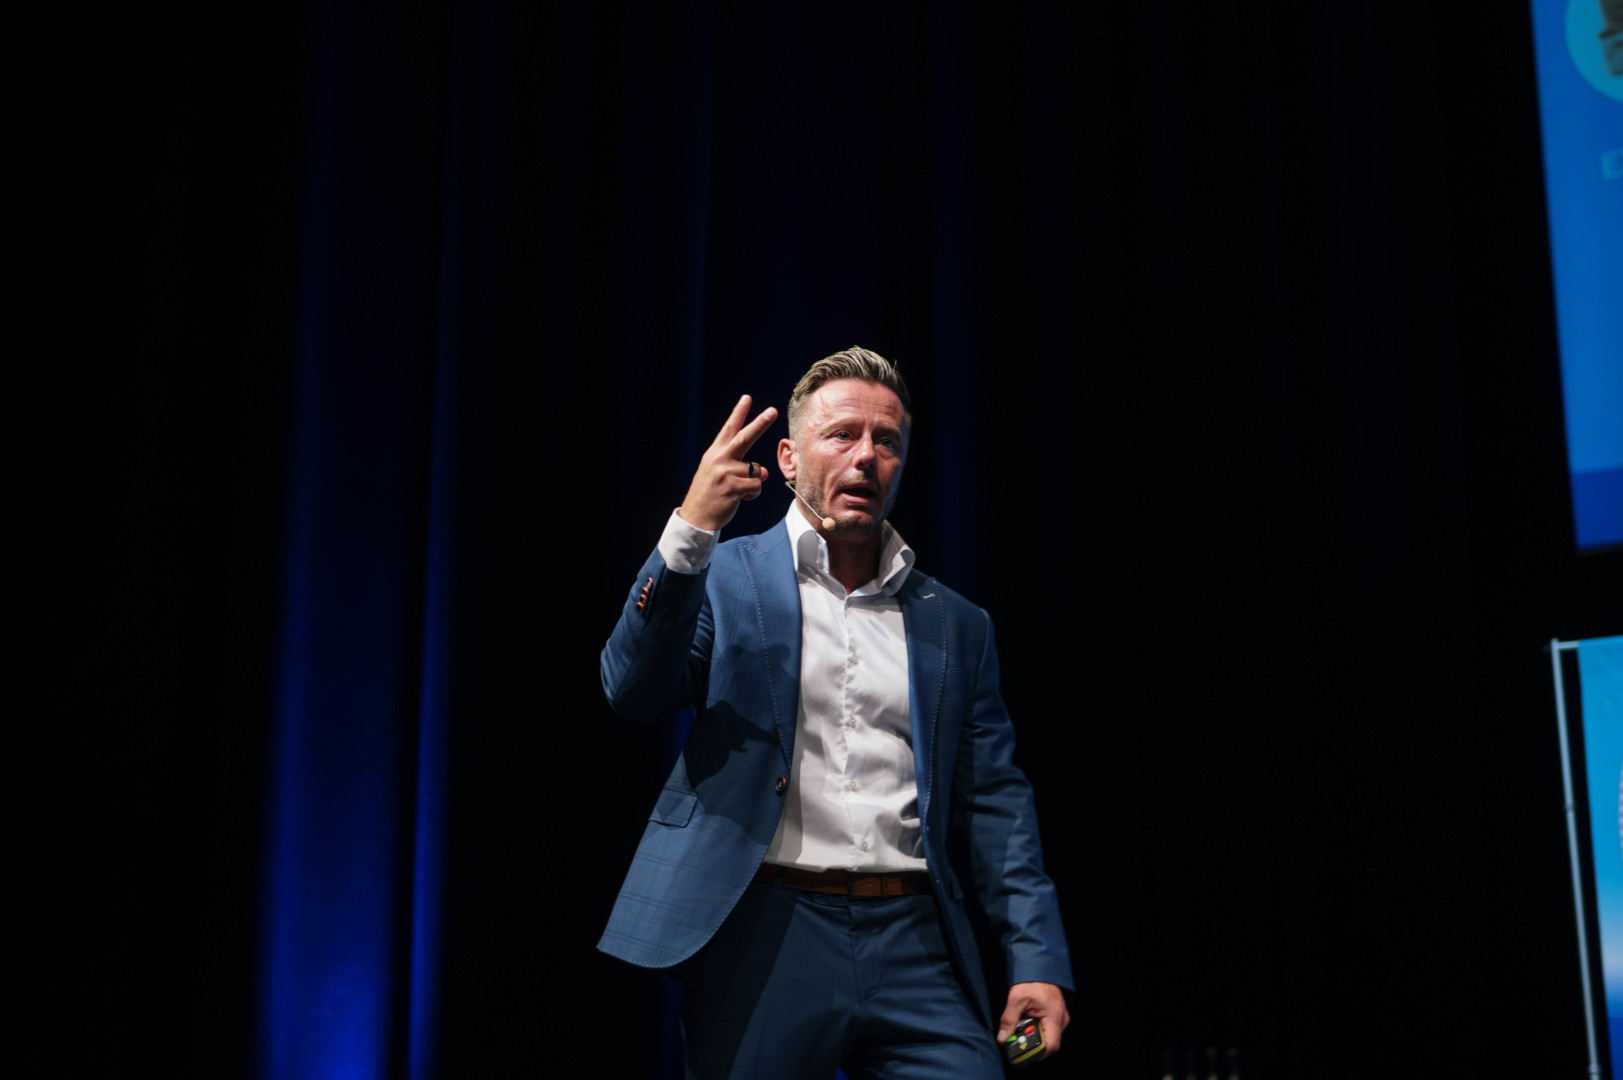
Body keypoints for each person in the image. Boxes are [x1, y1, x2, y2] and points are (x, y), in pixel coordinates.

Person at [599, 348, 1072, 1078]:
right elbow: (633, 691)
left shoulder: (956, 623)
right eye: (842, 435)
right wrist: (690, 531)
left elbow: (995, 804)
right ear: (788, 460)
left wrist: (1034, 959)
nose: (866, 457)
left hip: (916, 938)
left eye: (887, 441)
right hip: (766, 930)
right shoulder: (721, 578)